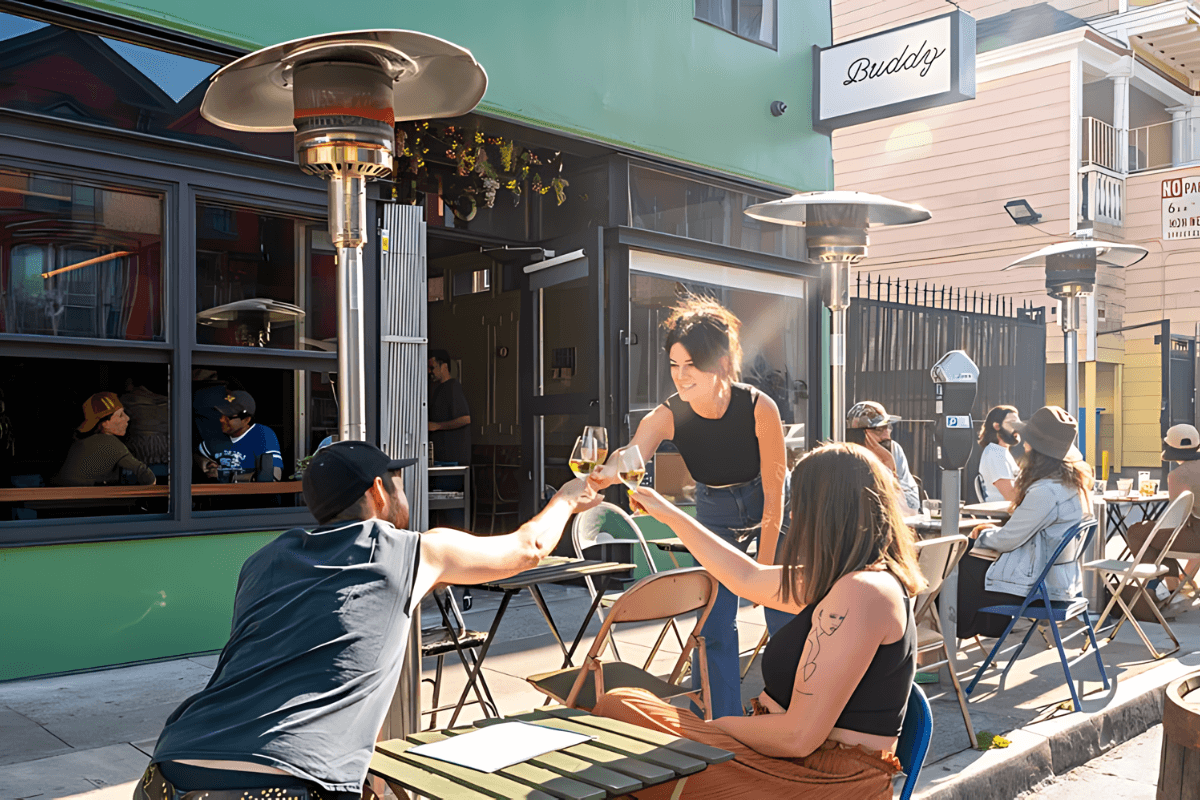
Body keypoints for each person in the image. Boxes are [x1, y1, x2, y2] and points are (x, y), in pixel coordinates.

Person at [137, 440, 598, 800]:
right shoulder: (409, 550)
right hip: (282, 781)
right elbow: (528, 549)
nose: (403, 494)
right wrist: (564, 500)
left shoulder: (264, 560)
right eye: (397, 482)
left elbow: (323, 666)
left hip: (171, 766)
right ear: (378, 491)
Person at [595, 442, 923, 799]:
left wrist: (714, 727)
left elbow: (798, 737)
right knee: (623, 709)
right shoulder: (847, 580)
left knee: (621, 715)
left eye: (801, 502)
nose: (794, 516)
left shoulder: (863, 593)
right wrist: (668, 514)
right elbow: (746, 577)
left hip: (816, 781)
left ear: (830, 511)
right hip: (783, 762)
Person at [589, 296, 789, 719]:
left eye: (690, 367)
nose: (680, 377)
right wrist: (599, 476)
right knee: (715, 623)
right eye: (674, 366)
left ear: (718, 363)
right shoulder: (668, 414)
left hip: (768, 501)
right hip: (714, 506)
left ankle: (795, 712)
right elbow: (631, 456)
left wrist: (764, 568)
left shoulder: (758, 407)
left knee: (783, 613)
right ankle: (720, 725)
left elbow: (775, 495)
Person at [957, 406, 1094, 639]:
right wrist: (993, 533)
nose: (1025, 445)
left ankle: (944, 641)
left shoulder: (1046, 491)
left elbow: (1007, 541)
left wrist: (978, 536)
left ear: (1035, 449)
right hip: (1059, 581)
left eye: (1028, 441)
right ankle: (974, 630)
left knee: (955, 562)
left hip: (1039, 588)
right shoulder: (1073, 485)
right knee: (969, 563)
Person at [1124, 424, 1200, 589]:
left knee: (1137, 532)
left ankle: (1168, 587)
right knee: (1157, 537)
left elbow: (1176, 519)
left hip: (1196, 537)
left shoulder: (1177, 475)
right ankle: (1184, 581)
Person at [52, 391, 156, 486]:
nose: (127, 418)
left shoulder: (81, 442)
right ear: (105, 423)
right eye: (120, 415)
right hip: (83, 501)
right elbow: (147, 476)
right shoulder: (111, 443)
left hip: (61, 497)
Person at [845, 401, 920, 514]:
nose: (886, 435)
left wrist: (889, 469)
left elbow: (912, 507)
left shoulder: (892, 450)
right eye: (878, 430)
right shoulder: (846, 457)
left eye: (887, 427)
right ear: (860, 435)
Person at [197, 390, 283, 482]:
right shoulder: (217, 436)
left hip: (253, 496)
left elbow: (273, 476)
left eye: (228, 417)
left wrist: (227, 475)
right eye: (221, 414)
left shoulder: (262, 435)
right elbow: (196, 456)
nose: (221, 420)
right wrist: (207, 464)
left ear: (246, 420)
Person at [428, 349, 471, 527]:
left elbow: (465, 418)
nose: (430, 371)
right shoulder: (437, 389)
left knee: (451, 506)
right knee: (442, 506)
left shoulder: (453, 387)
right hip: (440, 460)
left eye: (432, 367)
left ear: (444, 366)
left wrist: (438, 426)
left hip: (452, 461)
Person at [977, 405, 1021, 503]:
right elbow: (1011, 496)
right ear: (997, 426)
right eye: (1012, 423)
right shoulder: (995, 453)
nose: (1017, 428)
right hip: (1005, 515)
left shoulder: (1001, 452)